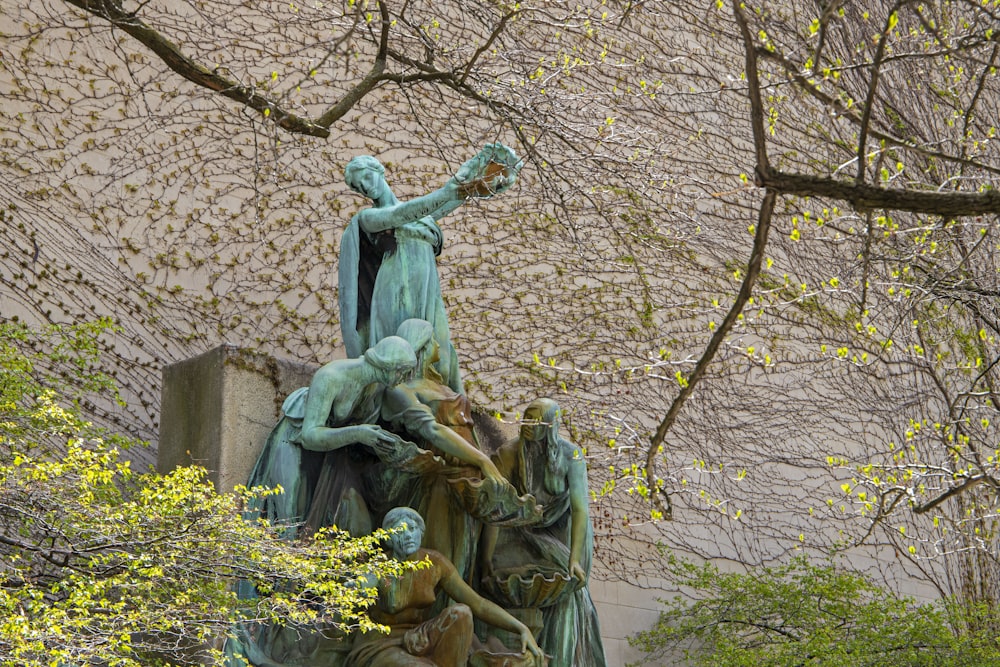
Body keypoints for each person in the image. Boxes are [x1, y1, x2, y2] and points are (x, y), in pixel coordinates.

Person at [338, 144, 521, 395]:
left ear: (379, 171)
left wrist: (474, 178)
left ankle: (438, 404)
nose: (366, 188)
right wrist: (449, 189)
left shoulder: (420, 217)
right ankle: (401, 406)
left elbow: (441, 205)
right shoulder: (370, 218)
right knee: (403, 350)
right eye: (359, 187)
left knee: (440, 351)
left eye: (367, 178)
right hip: (395, 289)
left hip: (427, 288)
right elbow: (405, 213)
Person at [244, 335, 417, 539]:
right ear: (389, 367)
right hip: (295, 443)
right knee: (287, 520)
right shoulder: (331, 376)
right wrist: (358, 433)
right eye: (404, 372)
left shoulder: (375, 386)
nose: (405, 379)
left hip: (330, 451)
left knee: (325, 524)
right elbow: (309, 435)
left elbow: (359, 428)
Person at [479, 399, 607, 667]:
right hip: (520, 528)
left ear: (551, 425)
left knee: (567, 594)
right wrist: (486, 558)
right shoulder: (509, 454)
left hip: (563, 531)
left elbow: (580, 508)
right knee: (511, 581)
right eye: (526, 418)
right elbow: (496, 510)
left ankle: (564, 657)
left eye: (537, 421)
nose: (529, 425)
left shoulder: (571, 455)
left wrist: (574, 558)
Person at [348, 508, 545, 667]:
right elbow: (368, 580)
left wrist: (521, 628)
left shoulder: (434, 563)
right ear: (389, 539)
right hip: (381, 643)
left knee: (462, 613)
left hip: (420, 636)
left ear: (421, 532)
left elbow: (479, 604)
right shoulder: (381, 567)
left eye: (412, 529)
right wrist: (357, 586)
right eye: (400, 531)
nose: (407, 535)